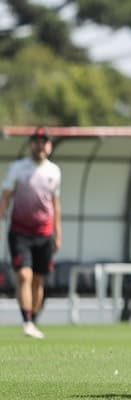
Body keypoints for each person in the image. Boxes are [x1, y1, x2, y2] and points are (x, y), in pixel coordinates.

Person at [0, 127, 62, 339]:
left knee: (38, 280)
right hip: (20, 231)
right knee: (24, 276)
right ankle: (26, 321)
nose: (40, 145)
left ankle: (33, 320)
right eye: (36, 141)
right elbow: (6, 195)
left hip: (44, 233)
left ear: (49, 146)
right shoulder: (18, 168)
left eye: (44, 141)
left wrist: (58, 232)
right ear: (31, 145)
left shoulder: (54, 171)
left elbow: (55, 204)